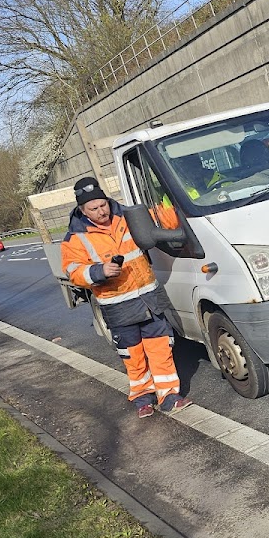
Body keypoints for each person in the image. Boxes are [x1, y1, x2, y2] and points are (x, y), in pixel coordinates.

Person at [61, 176, 193, 418]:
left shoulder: (128, 217)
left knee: (161, 348)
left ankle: (169, 397)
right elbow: (72, 271)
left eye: (103, 205)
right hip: (118, 305)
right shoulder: (74, 238)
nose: (102, 211)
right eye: (94, 208)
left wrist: (166, 197)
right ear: (82, 210)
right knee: (133, 356)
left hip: (149, 299)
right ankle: (143, 398)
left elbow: (164, 223)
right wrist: (99, 271)